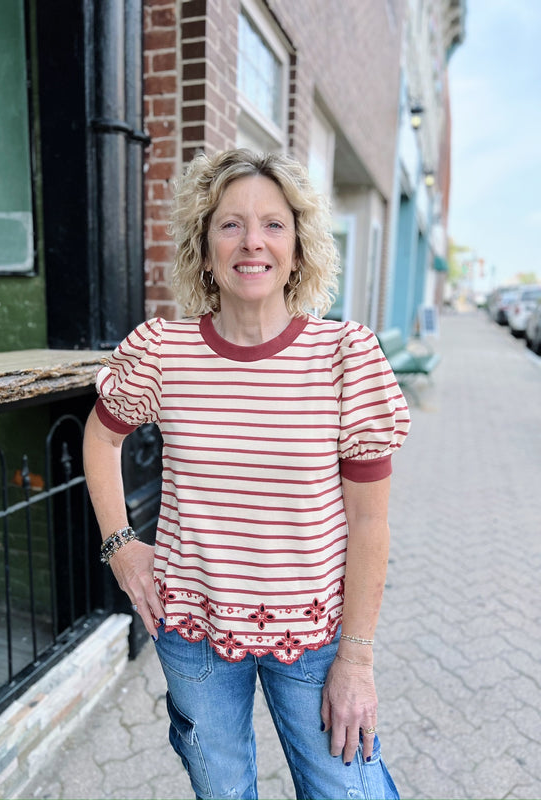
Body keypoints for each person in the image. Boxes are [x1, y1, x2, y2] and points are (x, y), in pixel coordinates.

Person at [83, 148, 411, 800]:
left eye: (273, 224)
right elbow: (100, 437)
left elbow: (371, 522)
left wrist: (357, 659)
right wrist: (121, 546)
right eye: (229, 225)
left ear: (298, 248)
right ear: (204, 251)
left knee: (348, 791)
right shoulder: (163, 352)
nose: (251, 241)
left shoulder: (344, 358)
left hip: (315, 642)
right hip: (194, 634)